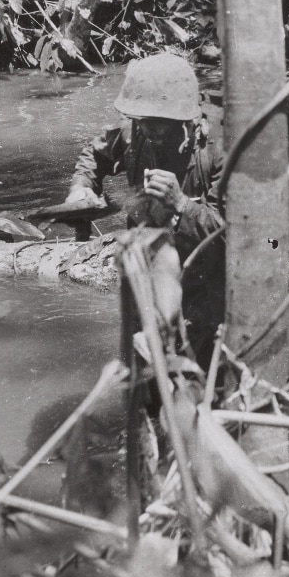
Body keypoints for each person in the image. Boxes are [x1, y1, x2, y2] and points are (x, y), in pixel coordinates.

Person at [64, 52, 226, 364]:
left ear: (187, 120)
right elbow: (94, 156)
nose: (149, 132)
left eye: (160, 125)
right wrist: (81, 189)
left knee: (202, 365)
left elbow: (232, 234)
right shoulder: (135, 129)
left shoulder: (219, 148)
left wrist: (180, 203)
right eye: (143, 123)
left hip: (206, 273)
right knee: (142, 359)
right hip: (148, 263)